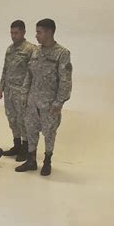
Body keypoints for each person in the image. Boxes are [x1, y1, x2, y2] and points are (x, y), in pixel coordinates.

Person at [16, 19, 73, 176]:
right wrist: (24, 94)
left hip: (49, 104)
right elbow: (29, 75)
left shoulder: (62, 54)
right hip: (32, 102)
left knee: (49, 133)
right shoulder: (36, 51)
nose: (36, 36)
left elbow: (65, 81)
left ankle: (47, 161)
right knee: (31, 130)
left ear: (49, 32)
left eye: (39, 32)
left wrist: (59, 101)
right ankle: (31, 160)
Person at [0, 20, 37, 162]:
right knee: (12, 119)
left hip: (22, 92)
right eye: (11, 33)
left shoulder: (31, 49)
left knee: (23, 121)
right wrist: (1, 87)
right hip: (9, 91)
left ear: (23, 32)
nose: (13, 36)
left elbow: (33, 73)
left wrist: (28, 93)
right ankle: (17, 145)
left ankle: (26, 149)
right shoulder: (10, 49)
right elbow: (5, 69)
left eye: (16, 33)